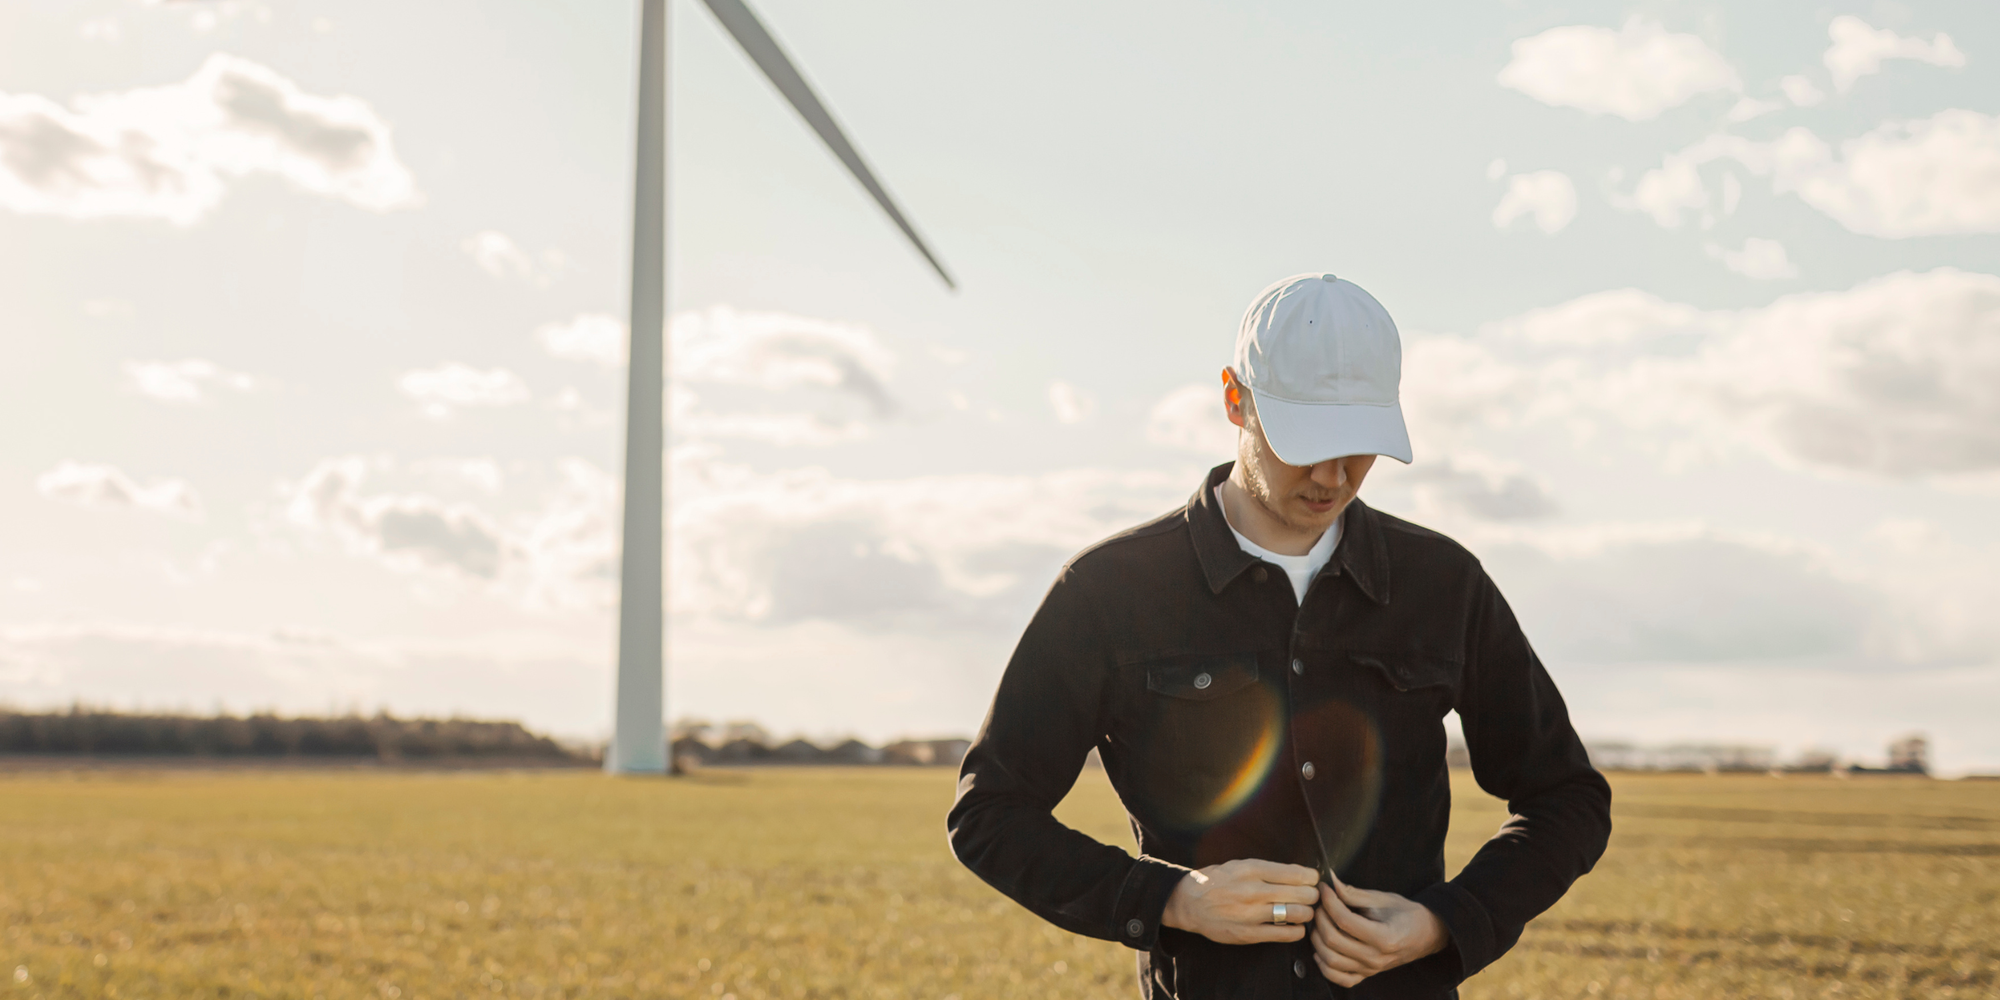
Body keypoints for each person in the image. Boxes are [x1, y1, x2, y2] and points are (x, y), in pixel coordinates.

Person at [947, 273, 1611, 998]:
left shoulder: (1445, 584)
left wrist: (1443, 922)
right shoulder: (1109, 592)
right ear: (1236, 400)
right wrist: (1169, 900)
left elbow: (1567, 800)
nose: (1334, 474)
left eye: (1359, 444)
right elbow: (990, 815)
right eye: (1307, 441)